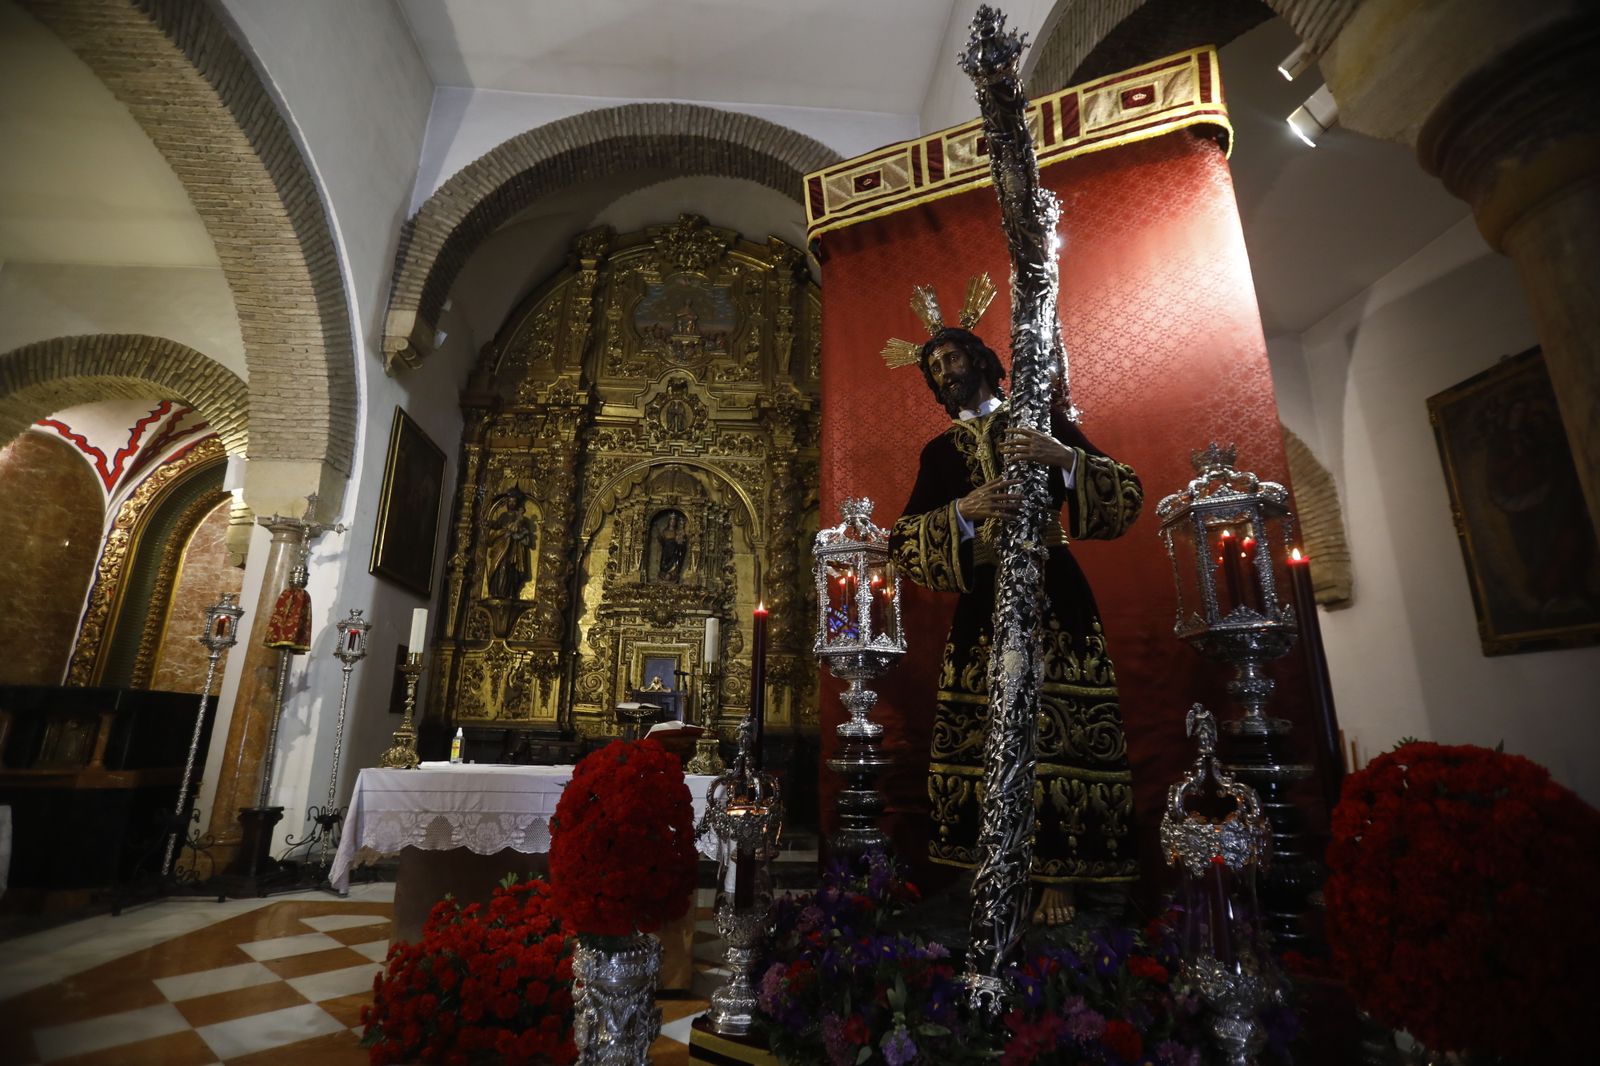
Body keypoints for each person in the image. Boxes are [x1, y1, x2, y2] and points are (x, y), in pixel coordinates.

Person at [889, 327, 1142, 926]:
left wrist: (1065, 459)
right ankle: (994, 863)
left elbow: (1126, 492)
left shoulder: (1037, 420)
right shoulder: (939, 453)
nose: (944, 370)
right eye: (933, 366)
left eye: (951, 356)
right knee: (985, 726)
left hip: (1055, 593)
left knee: (1059, 725)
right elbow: (903, 541)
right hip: (982, 605)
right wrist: (963, 513)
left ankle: (1061, 873)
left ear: (980, 359)